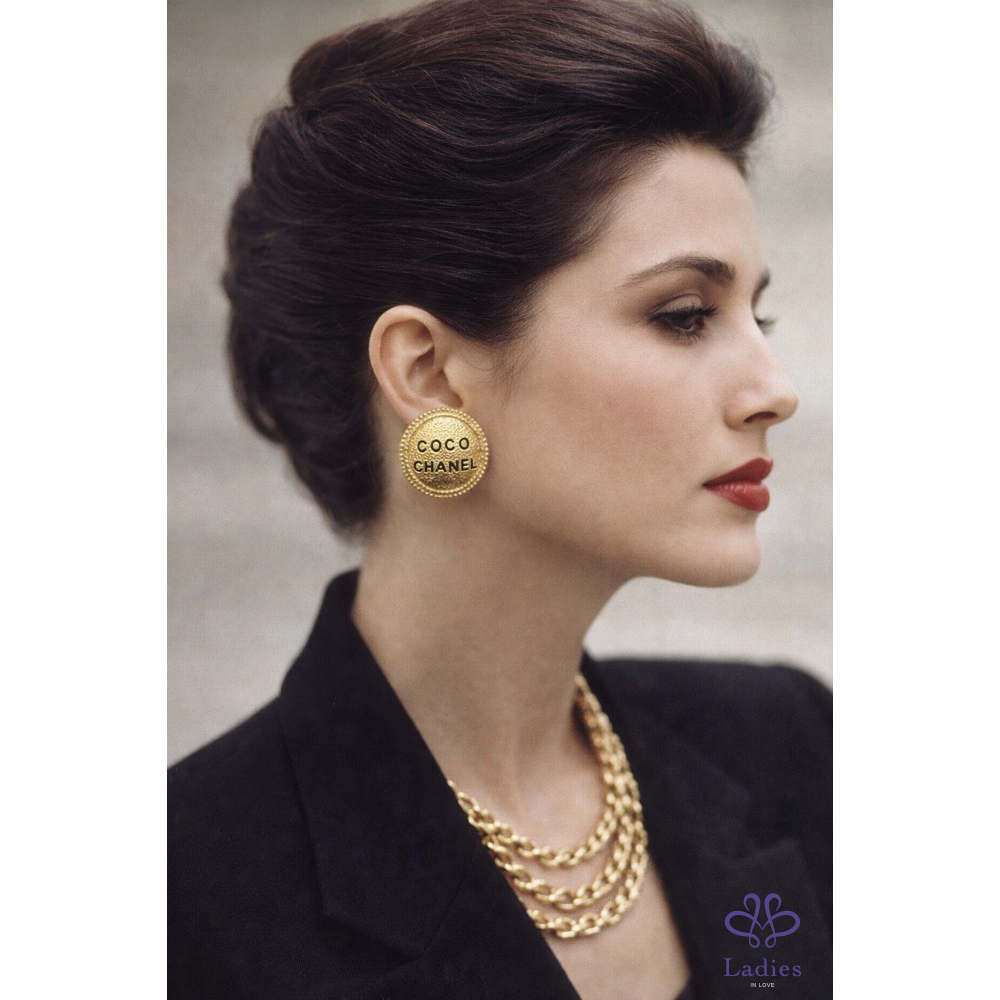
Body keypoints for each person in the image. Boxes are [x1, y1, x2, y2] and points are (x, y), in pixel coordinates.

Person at [168, 1, 832, 997]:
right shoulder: (180, 896)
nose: (774, 389)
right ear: (429, 372)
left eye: (757, 315)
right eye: (684, 314)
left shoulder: (791, 745)